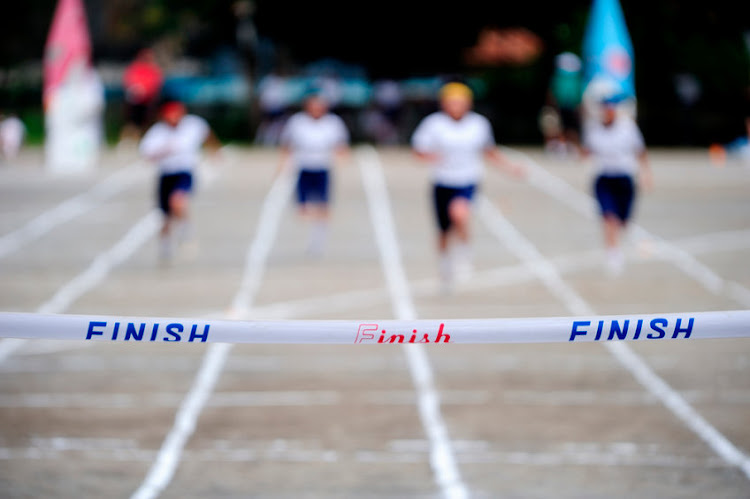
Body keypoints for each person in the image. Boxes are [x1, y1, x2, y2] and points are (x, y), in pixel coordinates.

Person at [411, 81, 524, 288]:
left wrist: (510, 168)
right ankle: (445, 262)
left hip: (467, 180)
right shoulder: (434, 124)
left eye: (460, 102)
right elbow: (418, 149)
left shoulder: (478, 124)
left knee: (460, 214)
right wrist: (430, 157)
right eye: (451, 102)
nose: (456, 107)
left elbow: (488, 151)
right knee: (443, 229)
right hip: (442, 181)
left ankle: (464, 253)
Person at [581, 93, 652, 275]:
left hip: (624, 178)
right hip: (604, 178)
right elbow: (586, 151)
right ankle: (613, 253)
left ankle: (617, 243)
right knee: (608, 217)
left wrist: (646, 173)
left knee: (623, 221)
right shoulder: (593, 128)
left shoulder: (627, 127)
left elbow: (640, 151)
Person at [139, 101, 221, 260]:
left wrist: (215, 152)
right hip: (166, 174)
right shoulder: (157, 132)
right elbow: (146, 155)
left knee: (177, 200)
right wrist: (164, 150)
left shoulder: (193, 124)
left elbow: (208, 135)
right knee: (165, 217)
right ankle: (165, 245)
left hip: (184, 171)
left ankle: (185, 227)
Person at [278, 92, 350, 255]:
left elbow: (341, 144)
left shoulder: (333, 123)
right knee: (302, 209)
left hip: (322, 167)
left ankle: (317, 241)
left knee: (323, 207)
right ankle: (310, 234)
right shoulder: (297, 122)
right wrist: (282, 165)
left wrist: (343, 157)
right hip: (304, 166)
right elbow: (287, 144)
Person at [121, 48, 164, 142]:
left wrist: (147, 91)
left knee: (147, 122)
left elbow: (156, 83)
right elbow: (129, 81)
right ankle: (128, 139)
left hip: (148, 101)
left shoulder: (153, 69)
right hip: (135, 100)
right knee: (132, 122)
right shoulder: (135, 68)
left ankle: (144, 139)